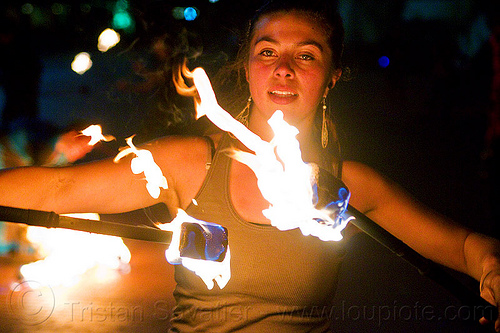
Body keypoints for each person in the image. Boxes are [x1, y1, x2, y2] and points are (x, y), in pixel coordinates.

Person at [1, 0, 500, 332]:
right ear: (247, 67)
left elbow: (464, 245)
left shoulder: (347, 185)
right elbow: (59, 188)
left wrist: (491, 267)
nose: (284, 68)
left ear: (331, 77)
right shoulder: (189, 164)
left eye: (306, 55)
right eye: (268, 51)